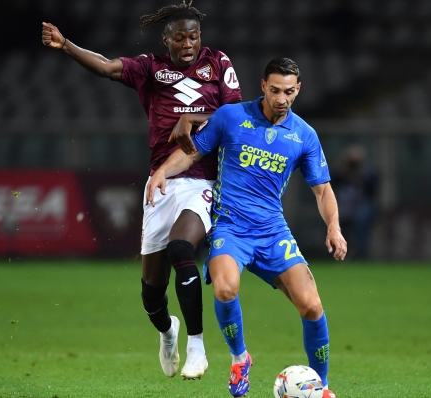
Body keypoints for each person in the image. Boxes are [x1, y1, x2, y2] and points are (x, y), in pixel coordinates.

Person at [41, 1, 242, 380]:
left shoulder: (218, 63)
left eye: (194, 35)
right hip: (161, 182)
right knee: (151, 294)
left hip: (202, 179)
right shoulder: (150, 68)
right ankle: (169, 332)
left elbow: (236, 115)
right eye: (180, 37)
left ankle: (197, 347)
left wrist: (192, 117)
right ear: (166, 39)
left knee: (182, 248)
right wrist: (66, 45)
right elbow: (105, 66)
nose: (188, 43)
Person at [146, 57, 347, 397]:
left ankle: (322, 386)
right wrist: (163, 170)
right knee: (224, 288)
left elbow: (322, 189)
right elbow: (193, 153)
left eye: (288, 92)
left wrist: (334, 227)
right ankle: (240, 358)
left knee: (312, 306)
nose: (281, 98)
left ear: (298, 90)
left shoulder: (304, 135)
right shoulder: (231, 117)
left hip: (272, 231)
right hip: (230, 227)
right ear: (262, 87)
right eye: (274, 90)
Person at [331, 145, 378, 260]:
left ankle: (361, 254)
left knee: (361, 225)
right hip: (345, 207)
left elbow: (373, 189)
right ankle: (341, 253)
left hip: (361, 206)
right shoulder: (342, 173)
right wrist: (344, 165)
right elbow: (332, 181)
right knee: (340, 227)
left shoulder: (366, 173)